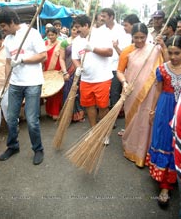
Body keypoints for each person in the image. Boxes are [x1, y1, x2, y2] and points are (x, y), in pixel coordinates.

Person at [0, 7, 46, 165]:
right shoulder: (8, 40)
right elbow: (9, 62)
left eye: (3, 26)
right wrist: (6, 80)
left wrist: (23, 60)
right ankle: (13, 146)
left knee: (31, 120)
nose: (1, 29)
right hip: (15, 84)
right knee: (11, 118)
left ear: (11, 22)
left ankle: (38, 149)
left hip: (32, 83)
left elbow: (43, 56)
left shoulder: (31, 33)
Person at [117, 23, 168, 167]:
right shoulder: (127, 51)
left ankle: (145, 152)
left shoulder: (154, 49)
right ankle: (132, 148)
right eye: (136, 37)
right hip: (131, 92)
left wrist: (163, 46)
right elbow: (120, 71)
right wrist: (124, 83)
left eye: (142, 37)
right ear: (131, 37)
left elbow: (168, 63)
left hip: (150, 92)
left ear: (147, 36)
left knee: (146, 121)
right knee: (133, 120)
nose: (139, 40)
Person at [146, 35, 181, 207]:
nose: (173, 57)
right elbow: (158, 91)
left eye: (178, 53)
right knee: (165, 143)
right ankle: (165, 186)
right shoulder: (162, 70)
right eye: (171, 52)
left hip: (180, 111)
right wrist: (152, 111)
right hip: (165, 110)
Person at [72, 14, 113, 145]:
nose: (77, 30)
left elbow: (109, 52)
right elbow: (75, 58)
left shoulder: (100, 35)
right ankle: (94, 131)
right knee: (89, 106)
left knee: (103, 107)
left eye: (79, 27)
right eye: (75, 27)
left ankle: (104, 133)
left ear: (86, 26)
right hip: (86, 79)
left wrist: (93, 49)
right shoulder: (76, 41)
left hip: (102, 78)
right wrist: (78, 67)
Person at [59, 22, 85, 122]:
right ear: (70, 30)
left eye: (78, 29)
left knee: (79, 93)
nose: (76, 31)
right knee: (68, 92)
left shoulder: (83, 41)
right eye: (74, 29)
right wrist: (65, 72)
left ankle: (79, 115)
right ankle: (68, 116)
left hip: (79, 71)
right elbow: (61, 58)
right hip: (69, 72)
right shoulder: (65, 42)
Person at [44, 26, 63, 120]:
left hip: (57, 70)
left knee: (57, 92)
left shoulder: (60, 44)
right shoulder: (45, 43)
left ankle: (55, 113)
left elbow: (63, 57)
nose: (51, 37)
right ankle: (48, 111)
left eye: (52, 35)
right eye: (49, 35)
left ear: (57, 35)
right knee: (48, 92)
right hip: (46, 70)